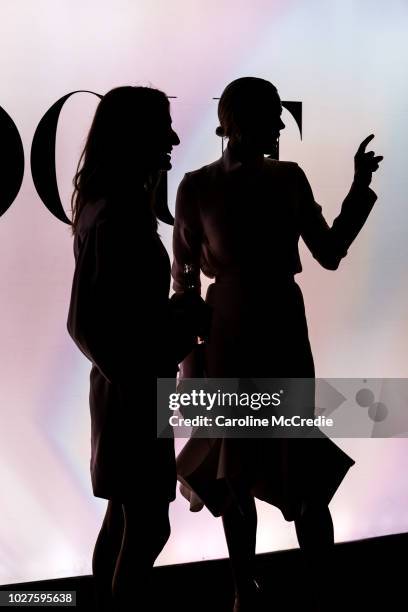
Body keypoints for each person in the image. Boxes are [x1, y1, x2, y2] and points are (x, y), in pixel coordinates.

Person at [172, 77, 383, 611]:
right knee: (240, 475)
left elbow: (329, 251)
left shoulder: (283, 178)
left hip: (273, 333)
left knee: (293, 472)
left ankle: (310, 588)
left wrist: (359, 190)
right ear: (239, 121)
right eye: (272, 115)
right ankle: (249, 588)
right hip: (234, 337)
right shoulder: (197, 188)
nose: (282, 125)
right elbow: (185, 285)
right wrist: (192, 363)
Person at [66, 85, 182, 611]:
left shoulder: (103, 208)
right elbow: (86, 322)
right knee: (148, 526)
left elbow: (99, 317)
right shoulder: (120, 215)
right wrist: (172, 331)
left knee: (123, 519)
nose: (173, 138)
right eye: (162, 127)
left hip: (126, 390)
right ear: (136, 136)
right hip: (133, 394)